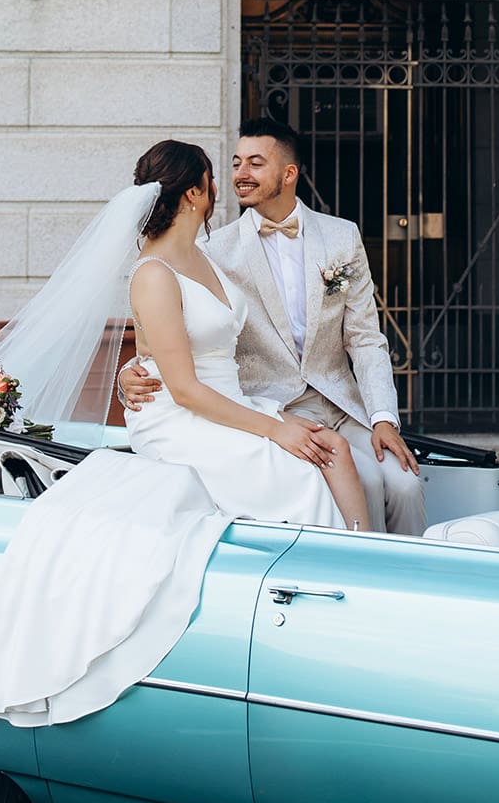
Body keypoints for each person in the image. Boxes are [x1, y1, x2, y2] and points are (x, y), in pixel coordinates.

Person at [0, 141, 363, 728]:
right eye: (213, 178)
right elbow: (183, 388)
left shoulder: (209, 257)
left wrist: (140, 366)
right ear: (196, 192)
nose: (224, 185)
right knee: (300, 469)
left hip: (228, 402)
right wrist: (275, 430)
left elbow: (178, 350)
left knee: (335, 449)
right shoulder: (152, 273)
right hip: (184, 419)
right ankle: (332, 599)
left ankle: (365, 571)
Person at [120, 119, 427, 537]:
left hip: (341, 401)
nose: (239, 175)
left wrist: (383, 417)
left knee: (406, 483)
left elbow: (366, 338)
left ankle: (417, 577)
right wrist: (128, 375)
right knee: (366, 480)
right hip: (270, 401)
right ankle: (364, 571)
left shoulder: (342, 237)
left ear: (289, 174)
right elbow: (167, 334)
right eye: (234, 164)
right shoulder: (211, 251)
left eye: (255, 163)